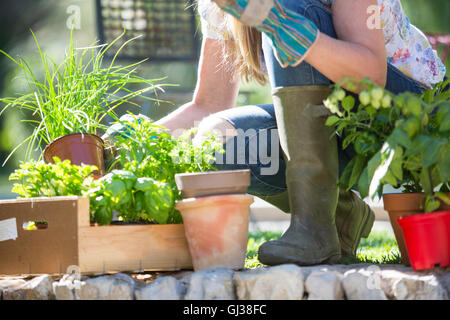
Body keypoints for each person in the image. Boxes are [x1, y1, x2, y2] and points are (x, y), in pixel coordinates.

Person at [152, 0, 446, 266]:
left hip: (412, 120)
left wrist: (282, 25)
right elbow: (209, 105)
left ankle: (313, 227)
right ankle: (339, 216)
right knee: (215, 141)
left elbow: (371, 75)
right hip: (332, 124)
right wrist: (134, 140)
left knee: (292, 7)